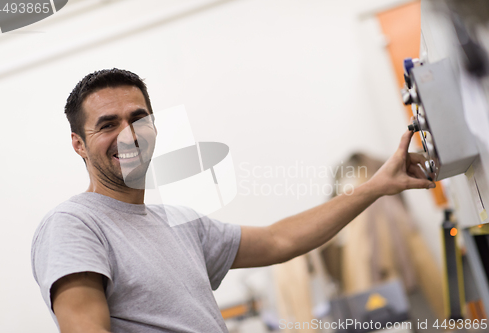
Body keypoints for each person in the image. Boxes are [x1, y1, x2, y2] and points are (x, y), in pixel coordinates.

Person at [31, 68, 436, 333]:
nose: (129, 134)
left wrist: (377, 186)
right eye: (107, 125)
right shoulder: (74, 224)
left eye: (139, 119)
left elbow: (280, 241)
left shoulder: (180, 222)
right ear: (78, 145)